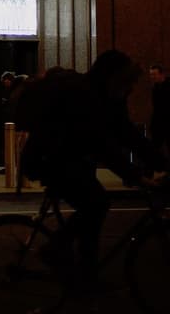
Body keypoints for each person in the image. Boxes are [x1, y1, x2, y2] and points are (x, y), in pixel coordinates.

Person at [17, 50, 167, 286]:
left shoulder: (109, 98)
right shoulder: (85, 96)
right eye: (127, 82)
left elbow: (128, 135)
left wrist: (161, 164)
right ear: (113, 77)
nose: (129, 89)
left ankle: (85, 276)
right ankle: (53, 250)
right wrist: (135, 175)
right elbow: (100, 146)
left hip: (70, 158)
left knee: (92, 211)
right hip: (49, 159)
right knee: (96, 204)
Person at [150, 63, 170, 160]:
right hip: (159, 122)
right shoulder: (155, 88)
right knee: (155, 146)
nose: (152, 77)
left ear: (161, 74)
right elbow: (156, 107)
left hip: (167, 121)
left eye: (154, 74)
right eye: (151, 75)